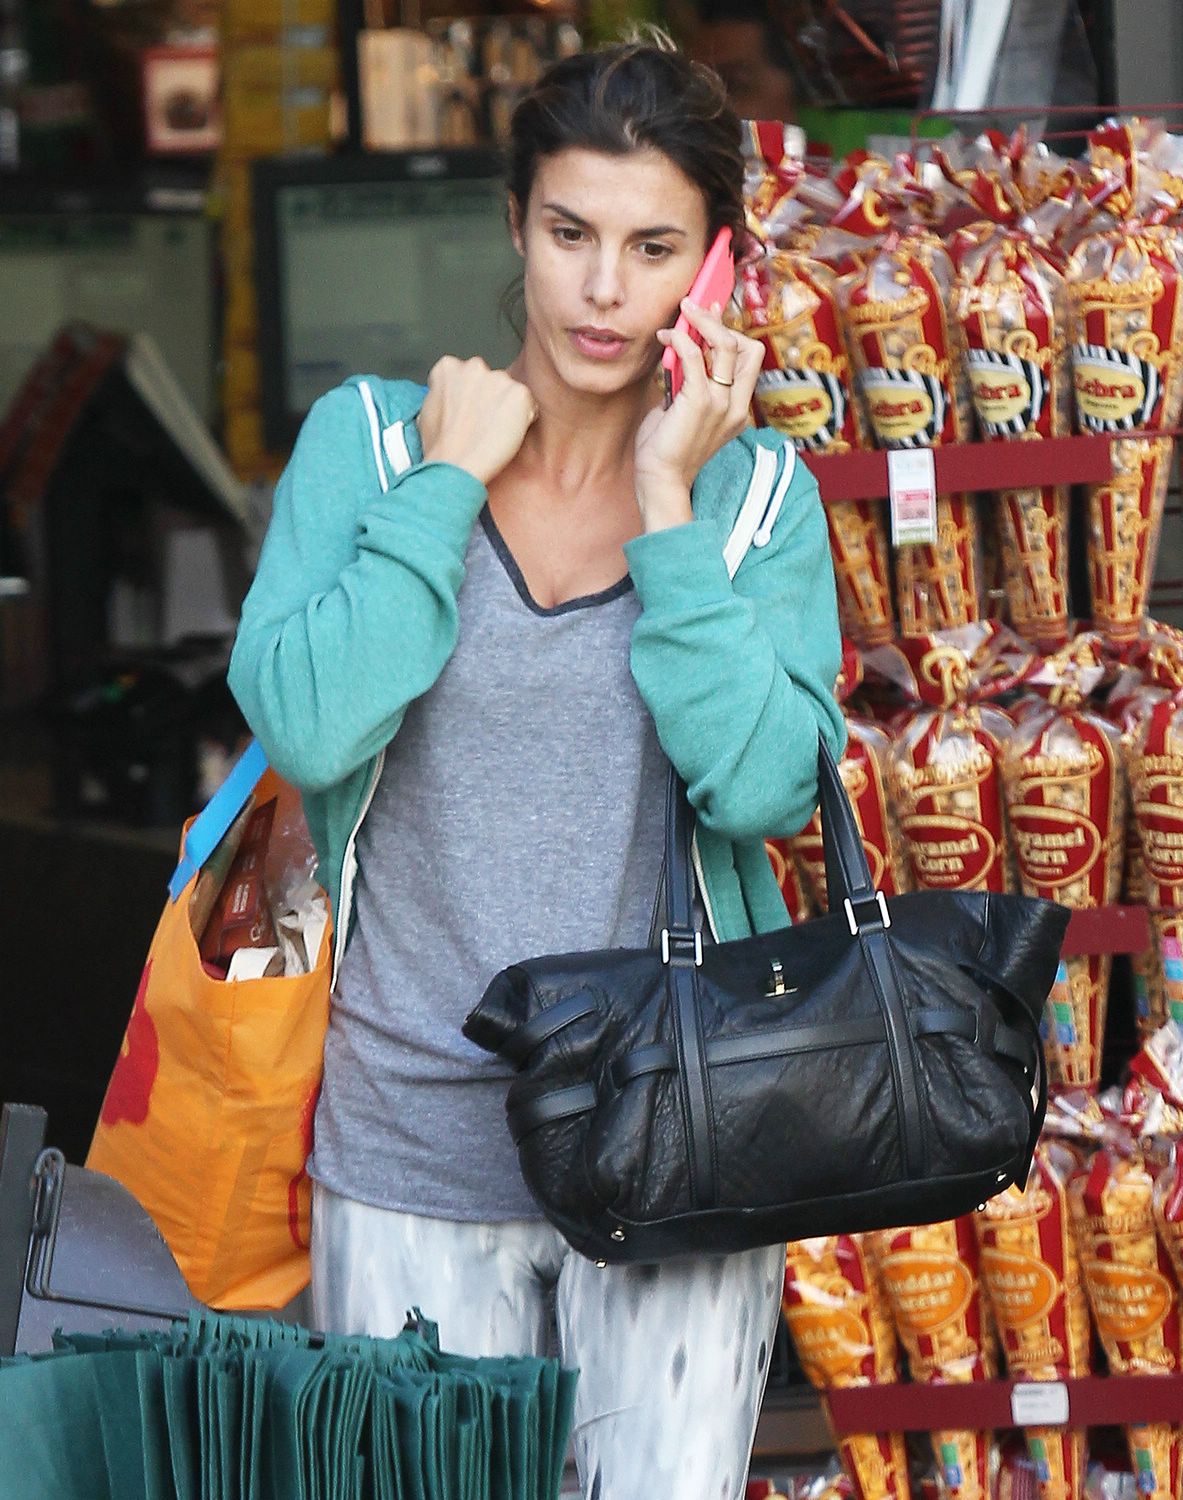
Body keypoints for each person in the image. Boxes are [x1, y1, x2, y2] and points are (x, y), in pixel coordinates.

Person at [228, 34, 844, 1500]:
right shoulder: (372, 449)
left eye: (652, 246)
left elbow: (763, 788)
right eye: (570, 234)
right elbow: (308, 727)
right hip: (408, 1146)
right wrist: (445, 487)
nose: (602, 288)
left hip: (678, 1152)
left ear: (713, 268)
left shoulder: (756, 503)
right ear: (515, 223)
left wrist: (667, 515)